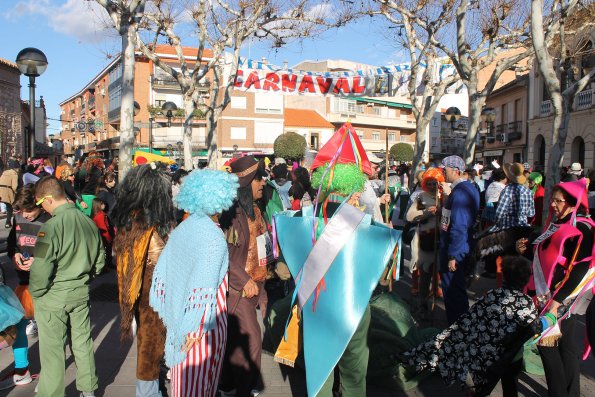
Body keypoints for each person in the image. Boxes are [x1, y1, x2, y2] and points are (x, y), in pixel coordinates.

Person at [273, 123, 401, 397]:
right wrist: (388, 241)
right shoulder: (365, 225)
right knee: (354, 376)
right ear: (352, 188)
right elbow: (383, 276)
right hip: (353, 311)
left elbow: (284, 271)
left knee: (321, 370)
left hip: (317, 310)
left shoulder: (303, 222)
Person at [150, 169, 238, 397]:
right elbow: (203, 290)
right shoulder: (212, 237)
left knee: (183, 386)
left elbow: (166, 272)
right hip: (201, 328)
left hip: (180, 318)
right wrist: (193, 330)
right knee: (199, 386)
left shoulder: (184, 228)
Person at [402, 255, 539, 396]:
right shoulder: (527, 302)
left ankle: (480, 393)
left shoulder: (493, 295)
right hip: (513, 355)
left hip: (488, 354)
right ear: (526, 280)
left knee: (486, 381)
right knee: (510, 385)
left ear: (504, 276)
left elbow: (472, 317)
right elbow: (532, 327)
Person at [518, 179, 595, 397]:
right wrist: (525, 251)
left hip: (561, 298)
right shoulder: (561, 221)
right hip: (553, 295)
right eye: (553, 199)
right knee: (566, 348)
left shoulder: (581, 227)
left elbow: (579, 270)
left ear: (573, 203)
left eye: (559, 201)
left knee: (547, 345)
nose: (553, 204)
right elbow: (548, 256)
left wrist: (556, 302)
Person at [29, 176, 105, 397]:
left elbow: (41, 269)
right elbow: (100, 262)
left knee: (52, 352)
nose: (42, 208)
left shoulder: (50, 227)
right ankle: (89, 390)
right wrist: (84, 278)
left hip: (54, 297)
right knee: (82, 343)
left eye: (41, 203)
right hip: (80, 293)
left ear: (49, 199)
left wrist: (37, 293)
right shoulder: (89, 223)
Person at [111, 163, 175, 397]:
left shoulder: (141, 222)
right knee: (150, 346)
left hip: (155, 297)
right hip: (151, 298)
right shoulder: (141, 224)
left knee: (153, 347)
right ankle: (149, 392)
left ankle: (153, 387)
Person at [219, 156, 269, 397]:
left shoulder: (257, 210)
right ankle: (243, 390)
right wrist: (244, 280)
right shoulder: (231, 212)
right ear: (248, 181)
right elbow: (223, 253)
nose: (263, 183)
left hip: (255, 286)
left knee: (233, 344)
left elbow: (264, 247)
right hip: (237, 290)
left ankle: (227, 388)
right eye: (259, 178)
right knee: (251, 341)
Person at [0, 185, 52, 390]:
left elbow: (55, 248)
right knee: (18, 327)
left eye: (29, 212)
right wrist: (14, 255)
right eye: (22, 212)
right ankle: (22, 371)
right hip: (24, 283)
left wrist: (39, 261)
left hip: (45, 283)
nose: (26, 216)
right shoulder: (19, 218)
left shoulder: (49, 220)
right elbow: (12, 242)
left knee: (49, 329)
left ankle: (50, 373)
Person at [439, 155, 480, 324]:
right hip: (457, 246)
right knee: (455, 290)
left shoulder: (462, 192)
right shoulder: (463, 189)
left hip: (455, 248)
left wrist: (453, 255)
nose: (442, 172)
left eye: (445, 170)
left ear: (455, 171)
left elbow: (459, 226)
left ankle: (457, 329)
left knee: (453, 292)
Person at [406, 168, 442, 321]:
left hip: (440, 241)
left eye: (436, 183)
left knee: (438, 274)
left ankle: (434, 303)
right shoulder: (421, 197)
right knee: (425, 275)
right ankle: (422, 305)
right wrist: (426, 212)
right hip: (425, 241)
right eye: (430, 183)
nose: (433, 186)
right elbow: (410, 216)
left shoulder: (444, 197)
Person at [91, 198, 115, 270]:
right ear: (98, 205)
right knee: (105, 252)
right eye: (102, 204)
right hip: (104, 237)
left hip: (100, 236)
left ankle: (107, 265)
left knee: (104, 252)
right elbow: (104, 227)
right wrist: (109, 238)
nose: (104, 205)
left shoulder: (95, 215)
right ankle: (105, 266)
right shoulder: (101, 215)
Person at [0, 159, 20, 228]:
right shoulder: (14, 174)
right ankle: (8, 223)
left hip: (0, 189)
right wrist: (16, 193)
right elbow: (14, 186)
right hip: (7, 190)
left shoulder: (4, 172)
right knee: (10, 207)